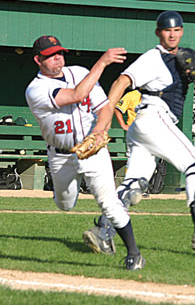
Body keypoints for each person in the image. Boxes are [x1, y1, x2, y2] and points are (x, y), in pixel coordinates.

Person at [104, 11, 195, 252]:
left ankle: (103, 231)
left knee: (135, 181)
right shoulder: (153, 58)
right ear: (159, 33)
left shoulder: (183, 57)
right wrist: (105, 118)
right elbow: (122, 81)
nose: (172, 34)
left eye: (176, 30)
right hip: (154, 116)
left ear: (181, 32)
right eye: (167, 30)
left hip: (144, 126)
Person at [25, 35, 145, 270]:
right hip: (61, 156)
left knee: (108, 204)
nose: (58, 58)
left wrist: (100, 130)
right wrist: (102, 63)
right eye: (51, 55)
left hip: (93, 151)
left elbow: (105, 108)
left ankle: (133, 253)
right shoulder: (35, 89)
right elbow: (78, 95)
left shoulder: (80, 72)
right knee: (65, 205)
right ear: (38, 60)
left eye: (60, 53)